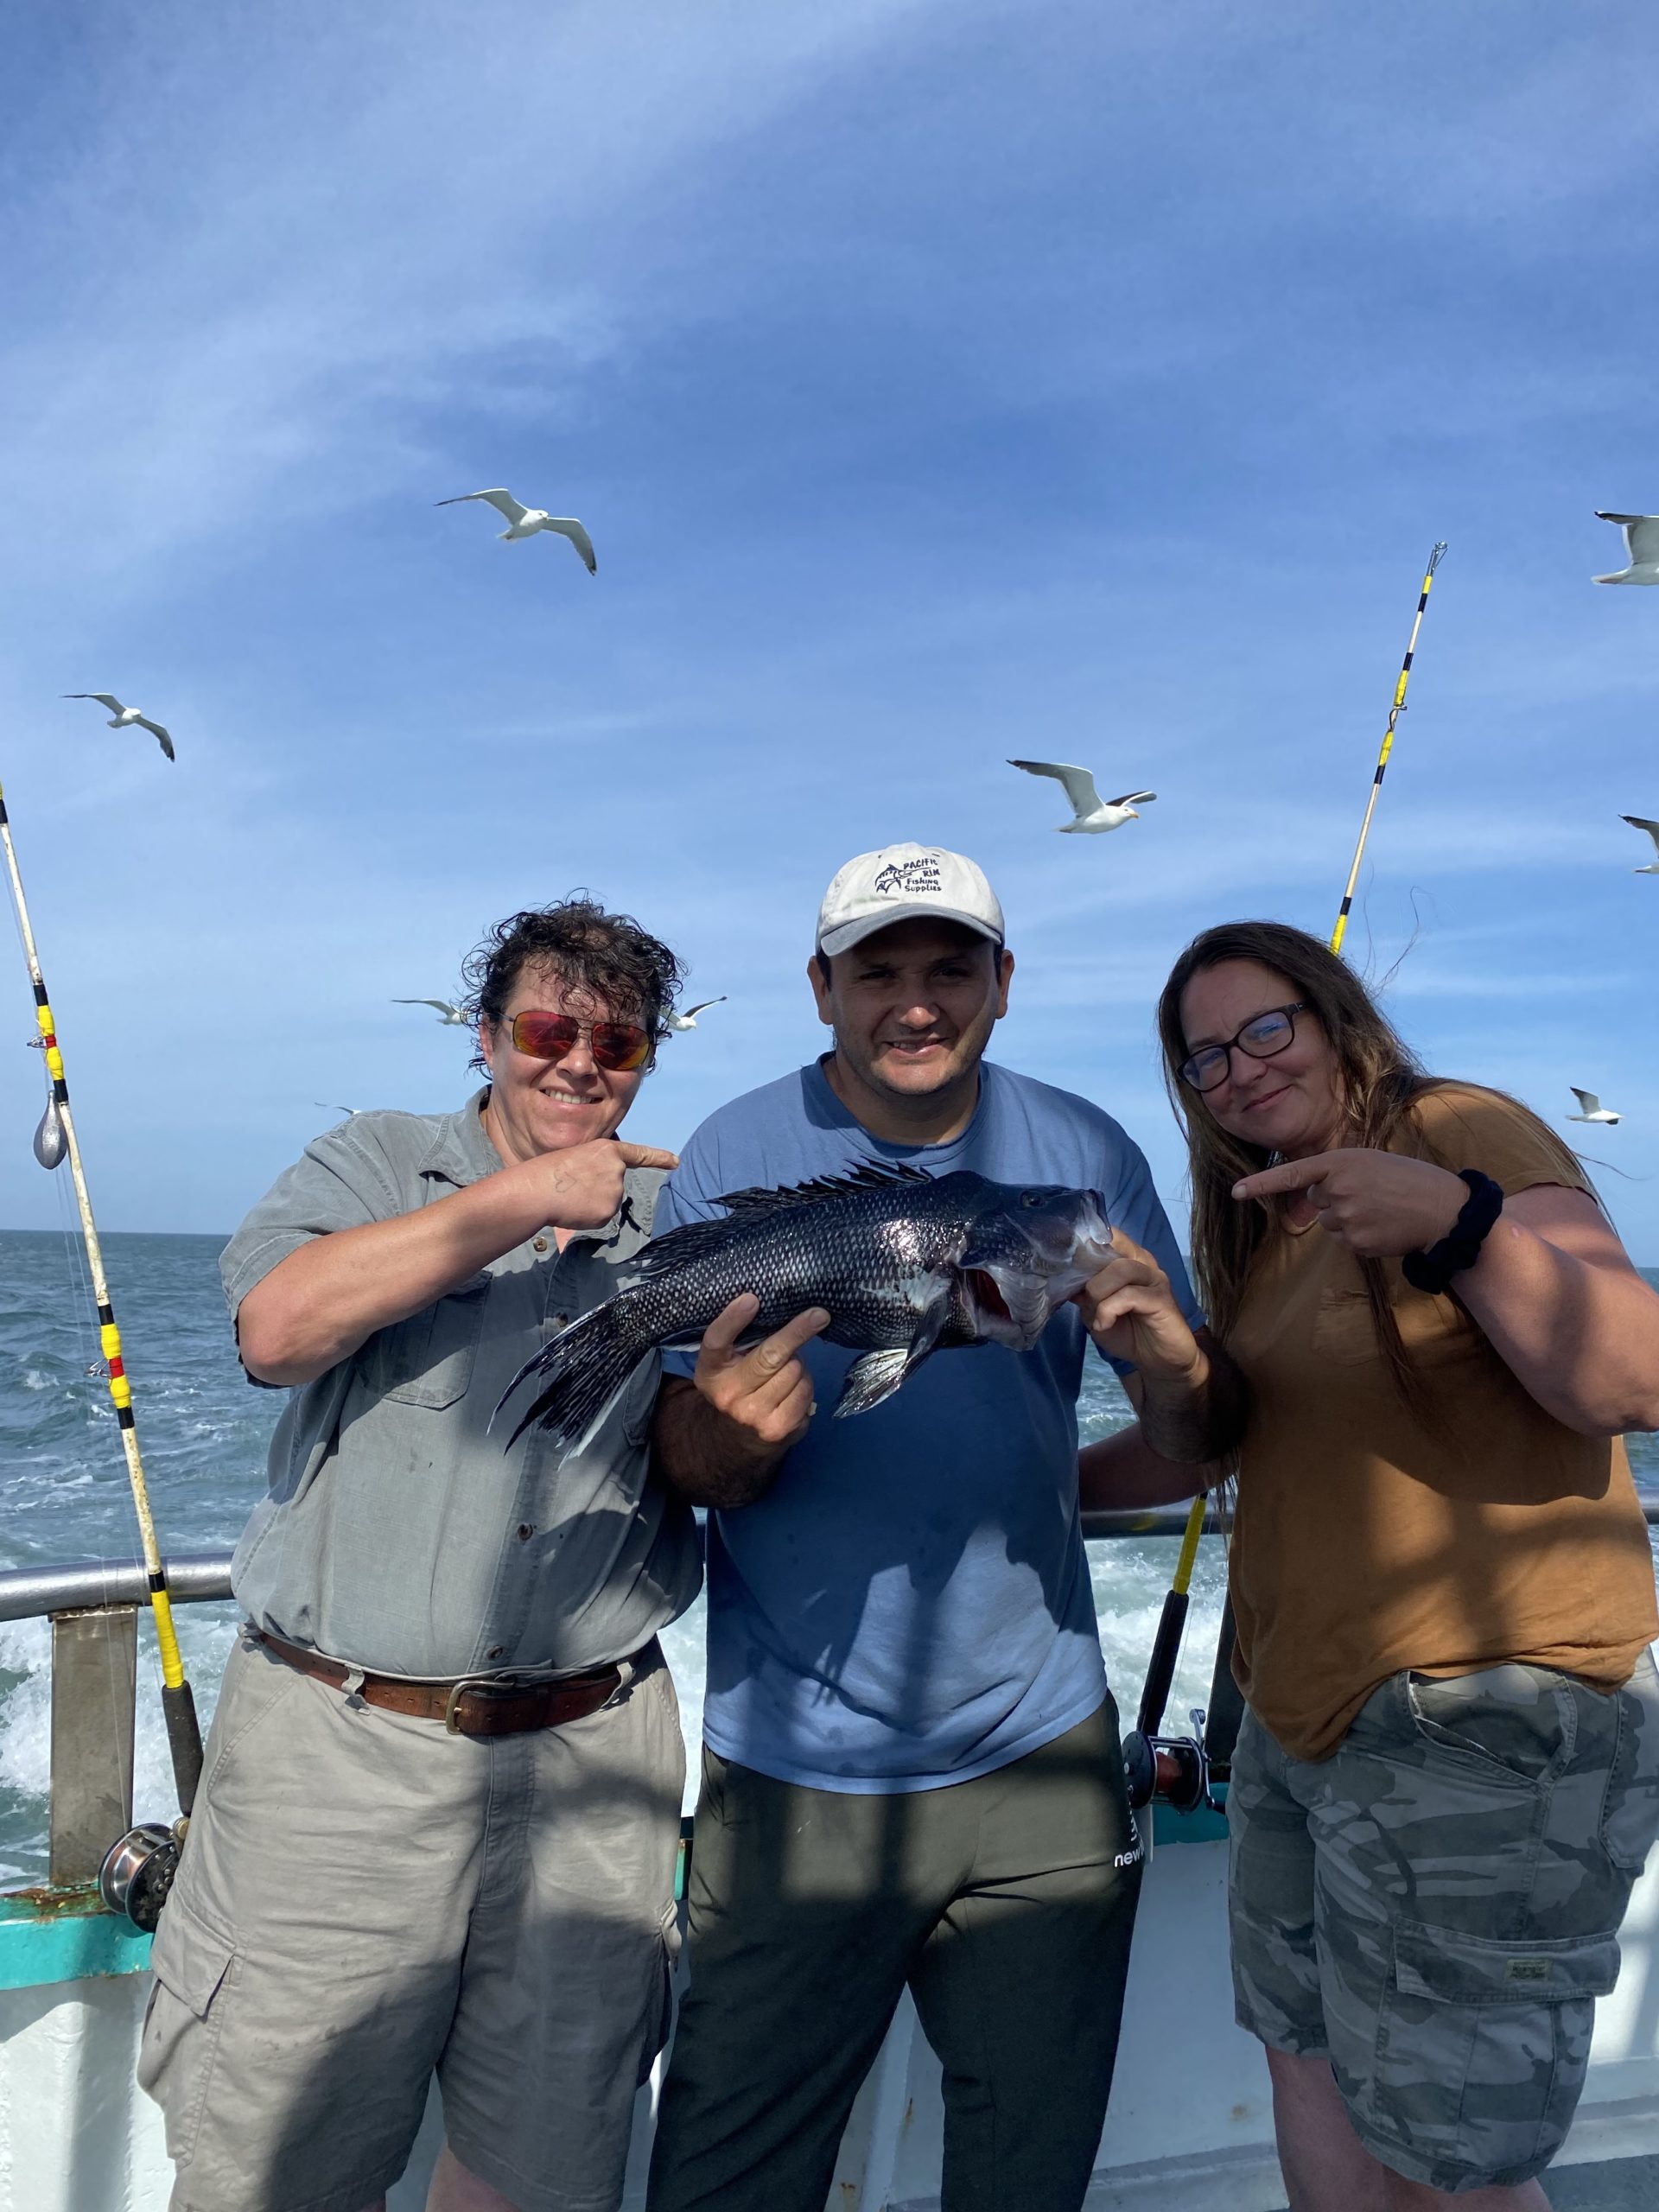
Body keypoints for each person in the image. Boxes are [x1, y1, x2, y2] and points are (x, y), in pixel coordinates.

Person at [643, 843, 1248, 2212]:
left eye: (949, 968)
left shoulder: (1086, 1157)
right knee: (727, 2177)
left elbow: (1203, 1443)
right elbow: (679, 1462)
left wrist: (1167, 1360)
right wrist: (725, 1443)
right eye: (879, 971)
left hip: (1040, 1755)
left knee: (1027, 2173)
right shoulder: (735, 1151)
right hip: (792, 1770)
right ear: (822, 990)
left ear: (1003, 982)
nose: (915, 1002)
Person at [139, 898, 703, 2212]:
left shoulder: (687, 1209)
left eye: (616, 1044)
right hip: (339, 1757)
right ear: (487, 1035)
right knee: (275, 2160)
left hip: (597, 1759)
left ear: (648, 1059)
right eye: (547, 1028)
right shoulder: (374, 1160)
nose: (578, 1063)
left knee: (552, 2163)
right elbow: (276, 1331)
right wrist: (522, 1202)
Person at [1148, 918, 1659, 2212]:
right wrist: (1027, 1479)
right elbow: (1226, 1450)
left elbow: (1629, 1378)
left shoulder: (1454, 1131)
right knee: (1305, 2061)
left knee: (1453, 2160)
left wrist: (1460, 1224)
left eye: (1268, 1027)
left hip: (1477, 1719)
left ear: (1335, 1016)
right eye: (1205, 1058)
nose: (1243, 1070)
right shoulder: (1269, 1219)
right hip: (1294, 1713)